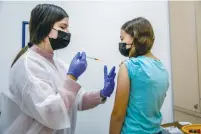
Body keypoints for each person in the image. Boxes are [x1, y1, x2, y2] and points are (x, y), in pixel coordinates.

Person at [0, 4, 116, 134]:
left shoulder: (59, 65)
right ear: (45, 27)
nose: (67, 32)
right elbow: (51, 113)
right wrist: (72, 77)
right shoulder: (27, 65)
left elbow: (77, 101)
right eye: (62, 27)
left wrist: (102, 94)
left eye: (67, 28)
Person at [109, 17, 169, 134]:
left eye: (122, 38)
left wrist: (126, 67)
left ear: (135, 37)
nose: (121, 42)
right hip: (156, 131)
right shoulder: (162, 67)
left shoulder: (129, 66)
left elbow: (118, 114)